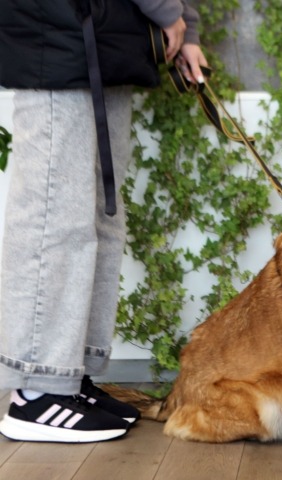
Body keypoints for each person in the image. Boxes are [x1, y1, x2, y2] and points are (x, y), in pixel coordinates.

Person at [0, 0, 208, 443]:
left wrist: (184, 25)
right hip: (55, 30)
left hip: (105, 35)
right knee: (53, 215)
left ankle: (68, 377)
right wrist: (169, 12)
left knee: (98, 218)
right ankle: (35, 390)